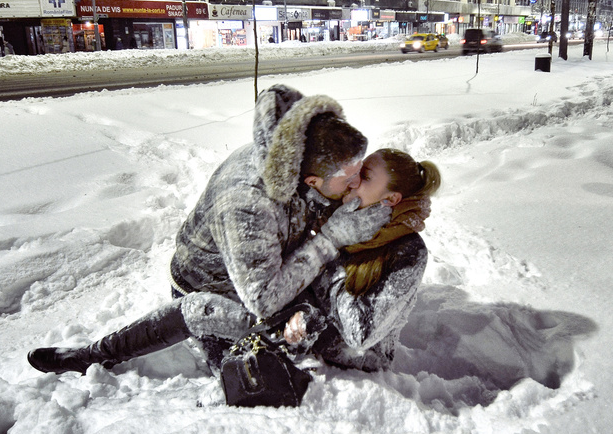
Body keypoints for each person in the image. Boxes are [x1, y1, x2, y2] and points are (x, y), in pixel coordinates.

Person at [28, 85, 391, 374]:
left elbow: (311, 208)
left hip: (268, 268)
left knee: (313, 319)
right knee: (242, 339)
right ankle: (92, 356)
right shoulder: (247, 202)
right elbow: (263, 298)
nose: (357, 182)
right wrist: (333, 238)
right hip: (213, 289)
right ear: (311, 179)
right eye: (350, 176)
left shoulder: (295, 161)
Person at [283, 148, 441, 371]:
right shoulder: (337, 215)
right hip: (311, 355)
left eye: (365, 177)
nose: (354, 181)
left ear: (391, 199)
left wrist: (334, 248)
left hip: (361, 372)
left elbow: (360, 333)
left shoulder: (409, 251)